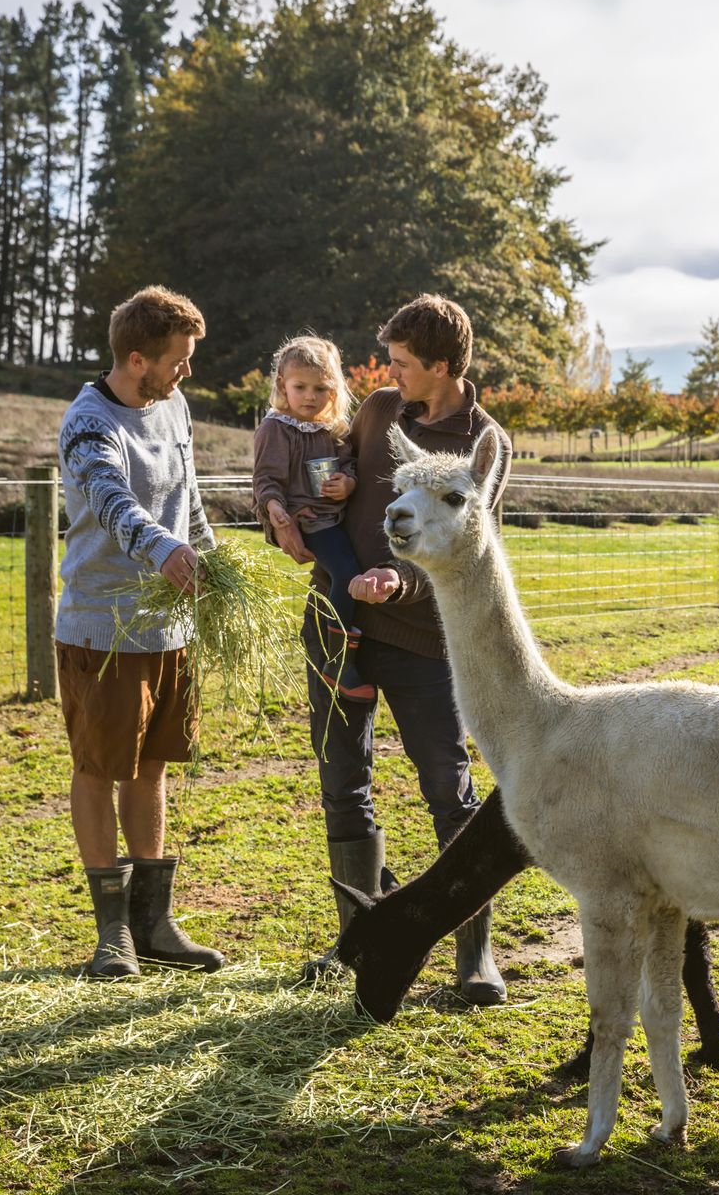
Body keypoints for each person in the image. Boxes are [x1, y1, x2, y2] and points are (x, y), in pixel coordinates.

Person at [286, 293, 510, 1004]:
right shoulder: (382, 411)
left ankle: (473, 954)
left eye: (404, 363)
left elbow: (466, 550)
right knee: (342, 786)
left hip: (421, 642)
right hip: (338, 627)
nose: (390, 373)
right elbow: (331, 483)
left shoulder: (482, 443)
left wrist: (401, 583)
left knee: (450, 792)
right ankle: (360, 937)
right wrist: (286, 516)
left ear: (442, 366)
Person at [54, 284, 226, 980]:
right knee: (100, 769)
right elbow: (112, 501)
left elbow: (189, 498)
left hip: (168, 626)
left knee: (151, 767)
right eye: (178, 361)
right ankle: (111, 934)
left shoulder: (172, 406)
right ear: (135, 359)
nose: (187, 372)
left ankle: (155, 924)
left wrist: (210, 564)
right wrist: (163, 552)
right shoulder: (88, 424)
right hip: (103, 627)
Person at [251, 336, 372, 700]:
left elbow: (349, 462)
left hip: (337, 514)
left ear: (334, 390)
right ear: (282, 386)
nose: (309, 397)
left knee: (351, 571)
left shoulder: (333, 428)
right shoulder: (276, 428)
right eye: (300, 387)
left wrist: (347, 482)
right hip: (312, 520)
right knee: (346, 574)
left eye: (321, 388)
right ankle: (337, 660)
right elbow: (266, 479)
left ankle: (341, 646)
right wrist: (275, 509)